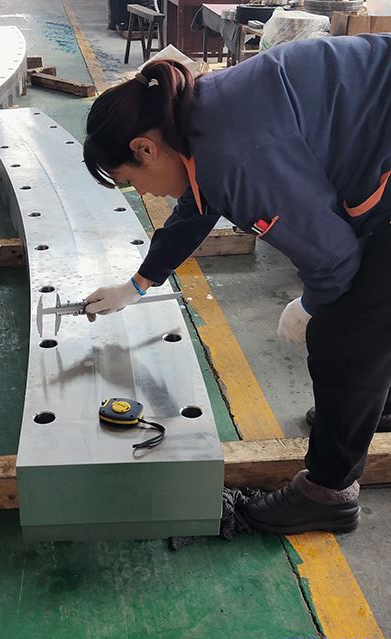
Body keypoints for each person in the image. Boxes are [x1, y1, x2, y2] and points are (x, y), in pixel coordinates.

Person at [82, 34, 391, 535]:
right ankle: (374, 405)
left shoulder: (235, 156)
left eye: (132, 181)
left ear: (145, 148)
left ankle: (328, 494)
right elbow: (197, 207)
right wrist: (136, 285)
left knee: (345, 331)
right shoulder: (198, 114)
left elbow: (334, 261)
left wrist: (311, 306)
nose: (144, 194)